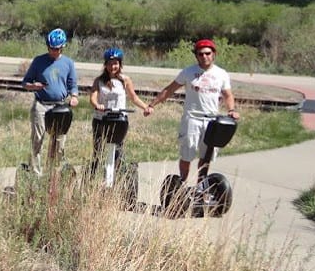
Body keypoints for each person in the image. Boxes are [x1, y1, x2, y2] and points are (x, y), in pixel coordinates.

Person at [146, 39, 239, 187]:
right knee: (187, 154)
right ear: (196, 56)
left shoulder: (221, 74)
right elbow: (170, 89)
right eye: (200, 54)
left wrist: (231, 110)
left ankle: (200, 188)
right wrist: (152, 105)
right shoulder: (188, 72)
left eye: (208, 53)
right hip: (192, 118)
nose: (204, 57)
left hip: (211, 120)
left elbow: (228, 95)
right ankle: (181, 185)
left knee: (206, 156)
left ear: (214, 54)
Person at [88, 47, 151, 184]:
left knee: (118, 151)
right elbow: (93, 97)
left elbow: (133, 97)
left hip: (119, 120)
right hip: (101, 119)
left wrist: (145, 107)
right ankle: (92, 180)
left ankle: (117, 181)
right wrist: (97, 105)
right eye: (110, 63)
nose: (113, 66)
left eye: (115, 63)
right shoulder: (99, 80)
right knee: (98, 150)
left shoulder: (125, 80)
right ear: (105, 65)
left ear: (120, 64)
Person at [21, 28, 79, 175]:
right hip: (41, 104)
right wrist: (33, 86)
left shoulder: (68, 63)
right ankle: (35, 173)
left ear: (62, 47)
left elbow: (73, 84)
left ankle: (53, 172)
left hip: (60, 106)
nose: (54, 52)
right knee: (38, 138)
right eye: (51, 48)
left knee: (58, 141)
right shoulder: (39, 61)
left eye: (57, 49)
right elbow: (25, 82)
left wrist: (74, 96)